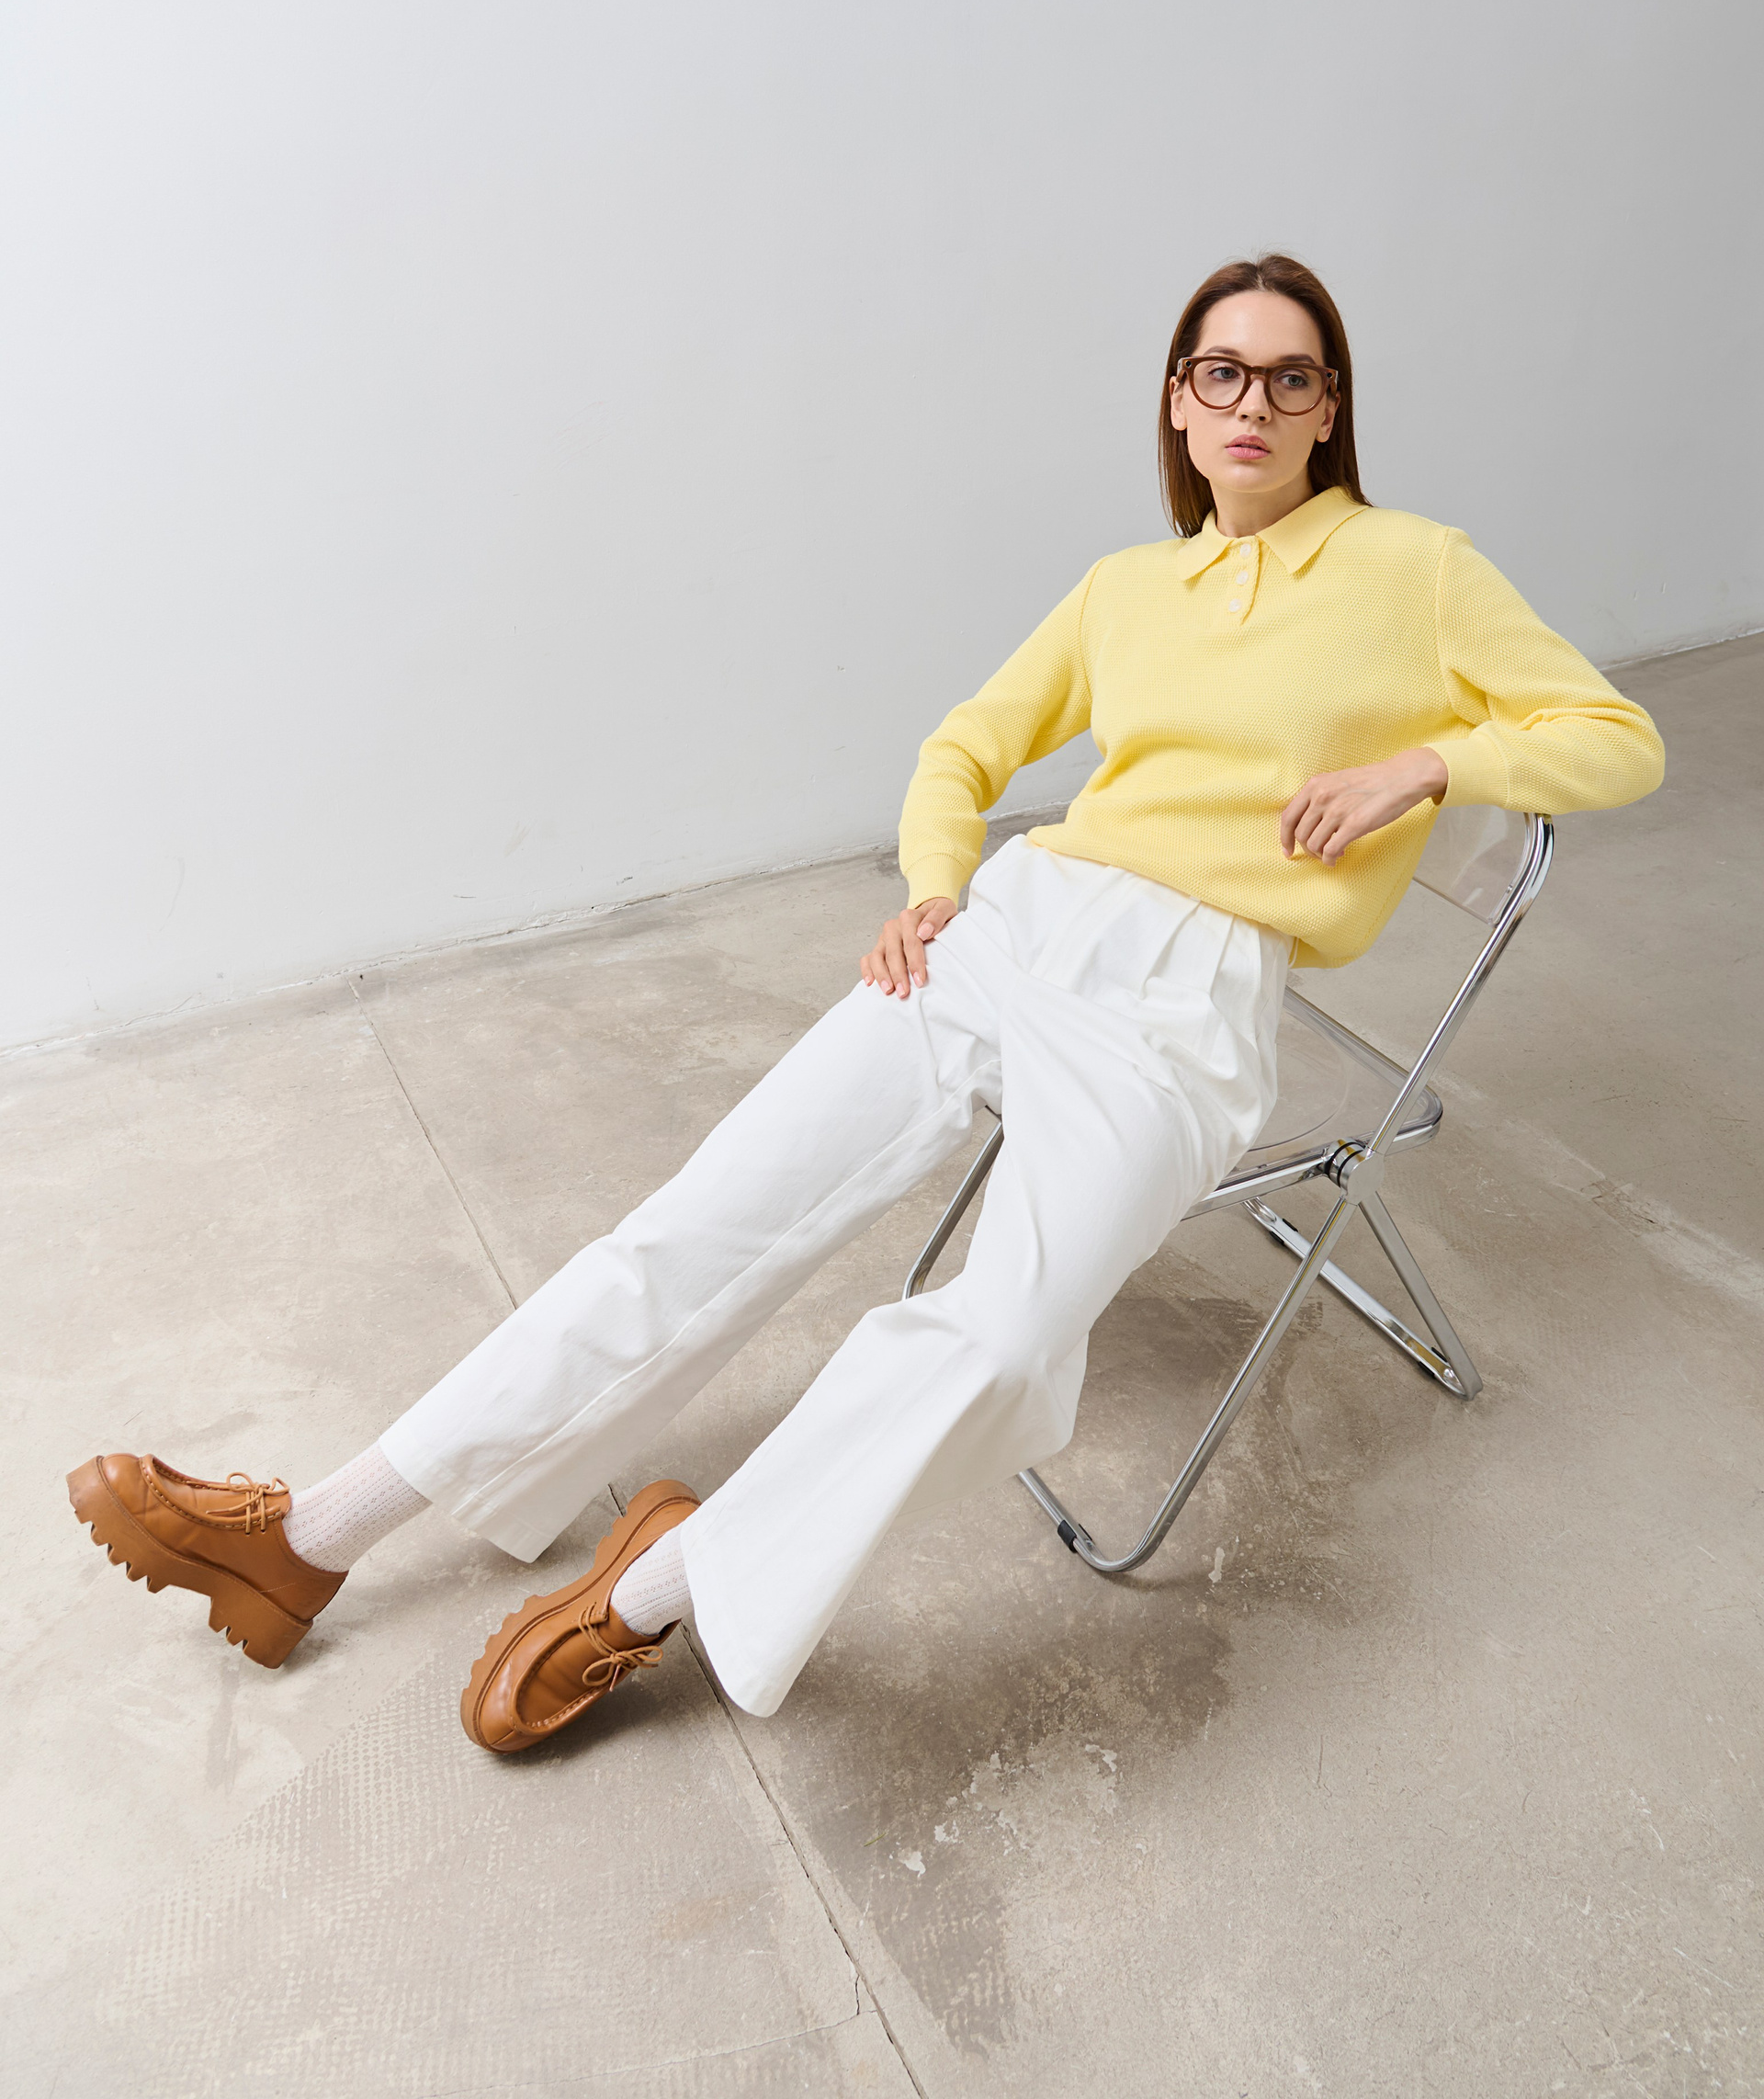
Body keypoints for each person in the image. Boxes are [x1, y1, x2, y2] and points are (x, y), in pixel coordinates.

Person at [68, 255, 1665, 1753]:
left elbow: (1615, 738)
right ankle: (309, 1536)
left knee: (1009, 1337)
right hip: (1023, 927)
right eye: (1220, 373)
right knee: (701, 1224)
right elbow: (966, 746)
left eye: (1290, 377)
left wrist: (1425, 764)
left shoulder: (1414, 569)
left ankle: (651, 1590)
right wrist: (935, 887)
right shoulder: (1128, 587)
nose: (1253, 403)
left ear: (1331, 409)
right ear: (1179, 405)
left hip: (1192, 1003)